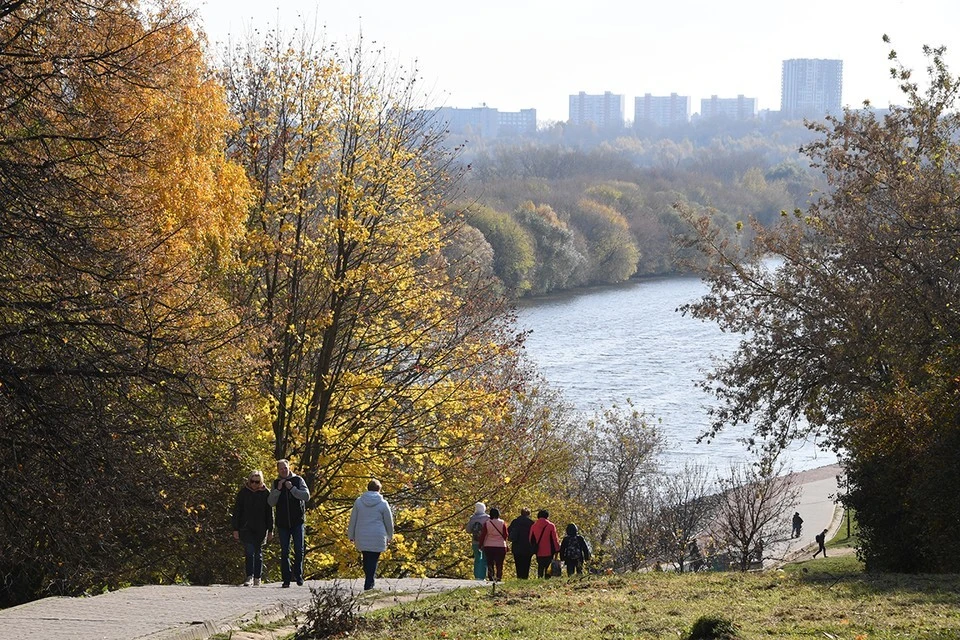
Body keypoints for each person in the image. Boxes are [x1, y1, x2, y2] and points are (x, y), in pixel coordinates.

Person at [268, 459, 310, 587]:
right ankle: (286, 579)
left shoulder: (298, 480)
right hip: (282, 523)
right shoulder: (276, 483)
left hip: (297, 521)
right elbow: (270, 502)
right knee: (284, 551)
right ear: (278, 470)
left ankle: (299, 575)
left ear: (289, 468)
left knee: (299, 550)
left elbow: (306, 496)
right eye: (281, 469)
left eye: (285, 468)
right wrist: (278, 490)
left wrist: (292, 489)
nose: (284, 470)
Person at [347, 478, 394, 591]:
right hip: (378, 535)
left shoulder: (358, 502)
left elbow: (353, 519)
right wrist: (390, 536)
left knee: (366, 558)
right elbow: (389, 521)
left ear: (368, 488)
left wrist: (351, 535)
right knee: (373, 559)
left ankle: (369, 581)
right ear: (379, 489)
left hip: (362, 534)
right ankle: (369, 582)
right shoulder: (383, 503)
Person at [231, 470, 273, 586]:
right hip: (246, 527)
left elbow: (269, 513)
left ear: (261, 482)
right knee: (249, 551)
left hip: (261, 527)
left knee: (258, 552)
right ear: (249, 481)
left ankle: (257, 577)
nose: (254, 484)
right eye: (252, 481)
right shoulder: (243, 493)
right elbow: (237, 511)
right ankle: (249, 576)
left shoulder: (266, 493)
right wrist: (235, 528)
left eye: (257, 482)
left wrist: (270, 530)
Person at [478, 507, 509, 582]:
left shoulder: (487, 523)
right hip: (501, 546)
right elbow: (505, 534)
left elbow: (483, 535)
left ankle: (491, 577)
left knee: (490, 562)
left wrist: (480, 544)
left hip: (489, 545)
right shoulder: (502, 523)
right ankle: (499, 577)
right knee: (499, 564)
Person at [529, 509, 560, 579]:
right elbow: (555, 538)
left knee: (540, 566)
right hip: (549, 551)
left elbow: (531, 539)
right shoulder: (551, 526)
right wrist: (557, 549)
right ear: (547, 516)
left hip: (539, 550)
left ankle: (539, 579)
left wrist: (534, 547)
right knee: (548, 567)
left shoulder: (533, 526)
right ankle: (547, 581)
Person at [465, 502, 490, 580]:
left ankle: (477, 575)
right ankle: (482, 576)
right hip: (485, 541)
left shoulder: (472, 518)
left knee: (477, 558)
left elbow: (468, 530)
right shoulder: (487, 518)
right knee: (484, 558)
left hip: (475, 541)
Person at [508, 507, 535, 579]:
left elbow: (509, 531)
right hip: (528, 547)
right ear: (529, 514)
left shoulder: (515, 522)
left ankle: (519, 577)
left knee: (518, 564)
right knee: (526, 564)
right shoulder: (531, 523)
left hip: (517, 546)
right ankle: (525, 578)